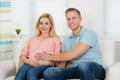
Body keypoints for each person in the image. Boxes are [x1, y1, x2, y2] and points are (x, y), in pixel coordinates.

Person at [36, 8, 105, 80]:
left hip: (94, 68)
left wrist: (50, 57)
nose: (71, 21)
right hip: (74, 69)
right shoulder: (66, 39)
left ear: (80, 19)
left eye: (73, 18)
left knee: (84, 66)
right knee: (49, 72)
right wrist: (55, 69)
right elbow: (64, 61)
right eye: (68, 19)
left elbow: (74, 54)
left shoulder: (89, 33)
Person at [14, 13, 66, 80]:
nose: (43, 26)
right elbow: (22, 55)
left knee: (32, 72)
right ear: (38, 25)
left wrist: (47, 57)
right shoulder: (32, 39)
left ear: (51, 25)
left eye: (46, 23)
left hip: (46, 66)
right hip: (30, 64)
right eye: (41, 23)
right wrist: (28, 61)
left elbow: (57, 59)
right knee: (21, 73)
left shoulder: (55, 40)